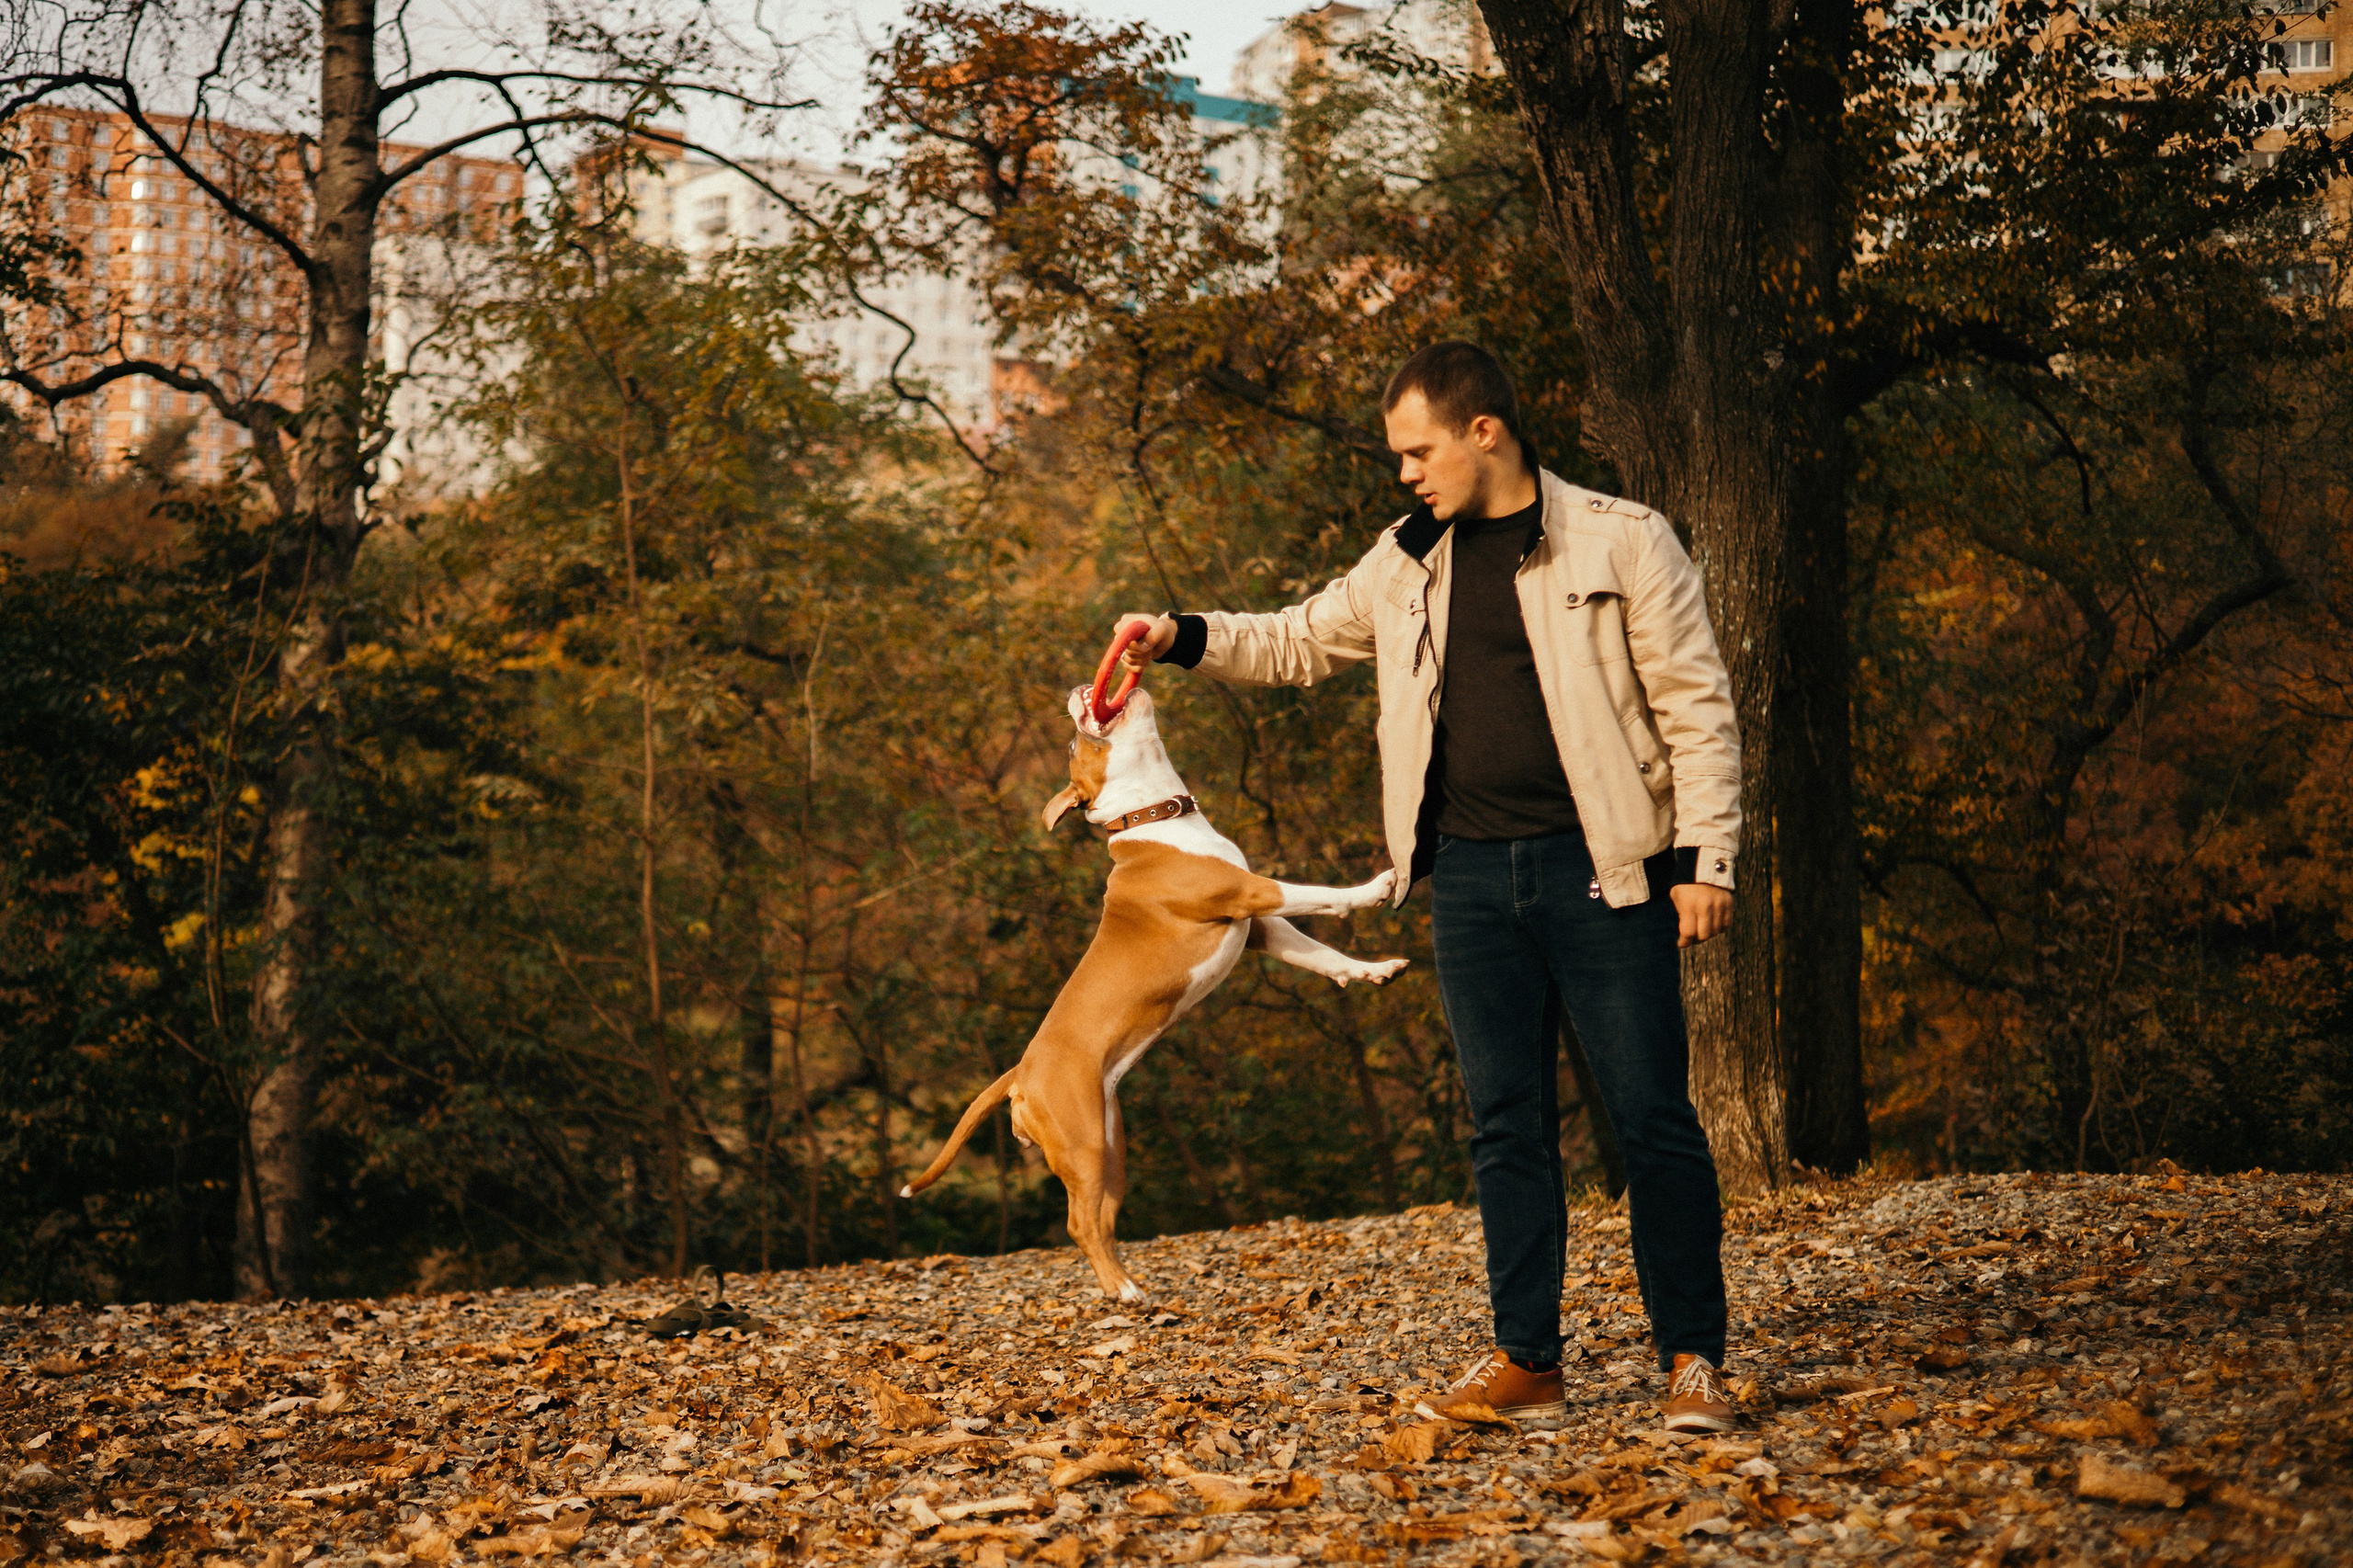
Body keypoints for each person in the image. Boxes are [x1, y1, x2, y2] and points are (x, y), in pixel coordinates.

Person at [1114, 341, 1741, 1435]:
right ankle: (1528, 1362)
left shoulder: (1621, 538)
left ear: (1483, 431)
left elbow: (1697, 705)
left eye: (1418, 450)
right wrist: (1178, 638)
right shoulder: (1407, 560)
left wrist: (1706, 860)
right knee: (1504, 1124)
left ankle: (1692, 1357)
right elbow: (1300, 638)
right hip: (1465, 878)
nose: (1404, 472)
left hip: (1609, 873)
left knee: (1652, 1121)